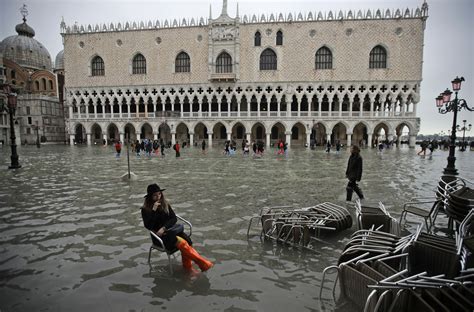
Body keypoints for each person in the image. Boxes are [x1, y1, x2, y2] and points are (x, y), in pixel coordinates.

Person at [141, 184, 213, 272]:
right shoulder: (145, 210)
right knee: (181, 243)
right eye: (155, 195)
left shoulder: (165, 204)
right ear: (150, 197)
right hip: (159, 237)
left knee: (188, 240)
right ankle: (201, 264)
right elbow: (149, 226)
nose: (158, 197)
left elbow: (173, 218)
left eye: (159, 194)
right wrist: (154, 210)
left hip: (170, 231)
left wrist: (164, 228)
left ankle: (188, 268)